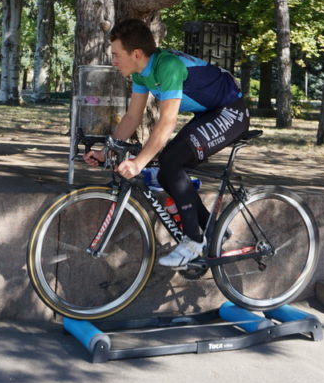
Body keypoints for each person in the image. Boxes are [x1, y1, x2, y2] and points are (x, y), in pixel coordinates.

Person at [84, 19, 250, 269]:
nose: (114, 61)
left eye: (117, 55)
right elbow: (132, 117)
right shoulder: (142, 73)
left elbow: (167, 122)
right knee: (166, 171)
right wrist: (107, 151)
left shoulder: (168, 67)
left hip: (231, 111)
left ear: (136, 53)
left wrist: (139, 163)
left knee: (172, 161)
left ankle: (193, 242)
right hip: (210, 112)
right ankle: (213, 231)